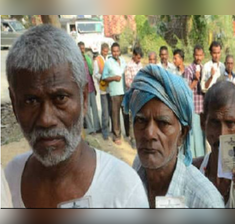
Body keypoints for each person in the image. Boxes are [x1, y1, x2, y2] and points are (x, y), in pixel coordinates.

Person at [5, 25, 148, 208]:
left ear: (84, 98)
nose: (46, 120)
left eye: (60, 98)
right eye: (31, 101)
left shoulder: (124, 191)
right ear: (14, 104)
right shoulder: (9, 181)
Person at [123, 65, 224, 208]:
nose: (149, 134)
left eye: (163, 123)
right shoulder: (138, 166)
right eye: (141, 120)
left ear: (182, 134)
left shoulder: (205, 202)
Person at [102, 43, 127, 145]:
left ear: (120, 51)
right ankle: (116, 136)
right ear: (111, 52)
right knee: (115, 115)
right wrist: (114, 78)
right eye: (114, 51)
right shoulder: (108, 63)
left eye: (117, 51)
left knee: (126, 113)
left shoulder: (123, 60)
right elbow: (104, 77)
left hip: (124, 91)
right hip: (115, 92)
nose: (116, 53)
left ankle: (128, 134)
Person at [183, 45, 206, 158]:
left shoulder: (204, 68)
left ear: (203, 56)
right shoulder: (188, 70)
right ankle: (195, 158)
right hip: (193, 106)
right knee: (194, 134)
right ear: (193, 55)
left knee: (202, 134)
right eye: (196, 55)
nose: (198, 57)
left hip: (203, 106)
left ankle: (203, 156)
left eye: (200, 55)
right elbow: (186, 89)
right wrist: (195, 80)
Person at [78, 42, 101, 135]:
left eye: (83, 48)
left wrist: (95, 88)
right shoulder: (76, 61)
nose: (82, 50)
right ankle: (91, 129)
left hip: (91, 87)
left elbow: (91, 74)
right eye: (80, 48)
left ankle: (97, 127)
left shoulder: (87, 59)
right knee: (86, 110)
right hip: (83, 89)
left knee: (94, 108)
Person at [124, 46, 143, 146]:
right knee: (133, 118)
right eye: (138, 57)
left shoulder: (140, 65)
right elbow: (128, 82)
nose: (139, 59)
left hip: (140, 95)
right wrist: (138, 84)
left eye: (140, 58)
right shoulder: (129, 66)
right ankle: (133, 139)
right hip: (132, 95)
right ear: (134, 56)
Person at [93, 43, 112, 140]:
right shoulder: (97, 60)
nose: (105, 52)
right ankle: (105, 132)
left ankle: (110, 130)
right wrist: (104, 78)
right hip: (103, 89)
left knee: (110, 111)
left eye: (107, 51)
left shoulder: (109, 58)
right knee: (105, 111)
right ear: (101, 50)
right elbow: (96, 74)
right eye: (104, 51)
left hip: (111, 89)